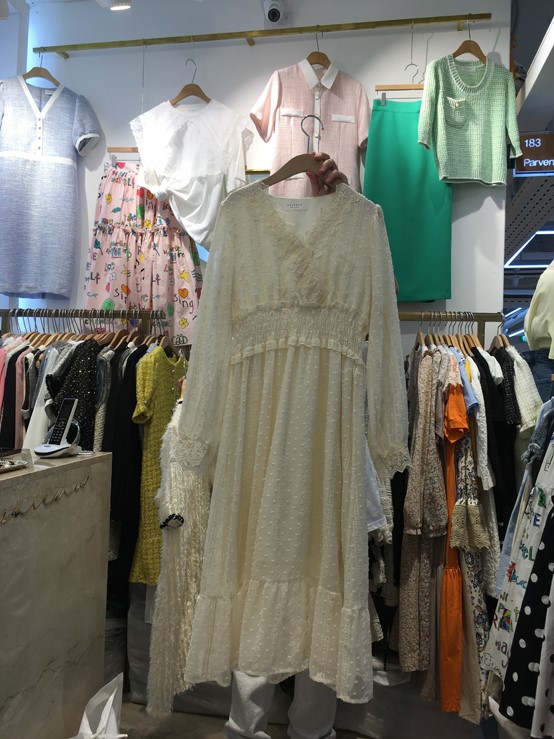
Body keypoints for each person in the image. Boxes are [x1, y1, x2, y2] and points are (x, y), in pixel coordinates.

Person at [226, 152, 349, 739]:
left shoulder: (362, 223)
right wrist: (203, 428)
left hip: (326, 438)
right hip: (261, 440)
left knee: (321, 575)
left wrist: (381, 435)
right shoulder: (239, 219)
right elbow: (214, 332)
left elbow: (375, 325)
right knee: (260, 570)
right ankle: (251, 722)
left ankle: (310, 727)